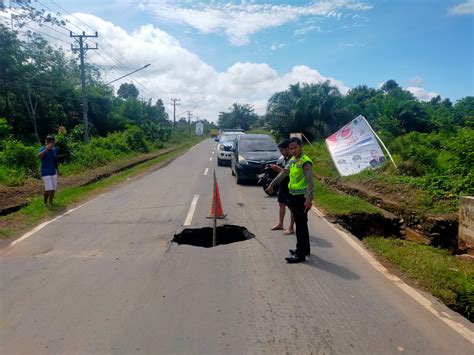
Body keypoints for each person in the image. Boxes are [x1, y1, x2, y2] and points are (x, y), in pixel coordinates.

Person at [266, 137, 314, 263]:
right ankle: (305, 249)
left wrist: (308, 200)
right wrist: (272, 184)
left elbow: (310, 182)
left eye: (295, 148)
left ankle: (300, 254)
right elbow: (283, 173)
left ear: (301, 147)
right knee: (301, 224)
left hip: (302, 198)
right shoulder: (293, 160)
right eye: (291, 148)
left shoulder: (305, 161)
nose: (293, 150)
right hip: (294, 196)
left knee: (301, 226)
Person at [270, 139, 295, 235]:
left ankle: (291, 227)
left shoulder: (293, 159)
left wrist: (278, 169)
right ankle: (280, 224)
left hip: (290, 186)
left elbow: (288, 173)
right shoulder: (284, 158)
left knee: (292, 208)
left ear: (288, 149)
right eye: (280, 151)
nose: (281, 153)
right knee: (281, 204)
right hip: (283, 185)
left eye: (282, 150)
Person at [38, 134, 59, 205]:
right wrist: (46, 149)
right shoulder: (42, 148)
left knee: (53, 189)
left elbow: (55, 161)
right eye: (48, 140)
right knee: (48, 189)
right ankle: (45, 202)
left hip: (53, 171)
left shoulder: (54, 150)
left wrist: (58, 170)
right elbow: (39, 156)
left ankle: (51, 202)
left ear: (53, 142)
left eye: (51, 140)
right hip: (45, 172)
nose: (50, 142)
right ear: (46, 141)